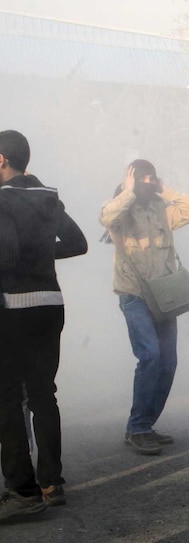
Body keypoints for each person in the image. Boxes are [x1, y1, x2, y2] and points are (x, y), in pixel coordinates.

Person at [0, 129, 88, 521]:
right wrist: (42, 255)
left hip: (13, 308)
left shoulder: (2, 200)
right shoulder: (47, 196)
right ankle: (52, 484)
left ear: (1, 160)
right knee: (43, 394)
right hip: (50, 305)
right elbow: (76, 243)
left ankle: (23, 490)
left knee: (6, 399)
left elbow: (6, 253)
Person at [99, 160, 189, 456]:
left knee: (168, 362)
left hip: (165, 296)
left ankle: (144, 424)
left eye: (150, 177)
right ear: (130, 180)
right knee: (150, 355)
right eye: (140, 177)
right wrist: (129, 191)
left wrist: (164, 189)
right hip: (134, 294)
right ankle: (139, 427)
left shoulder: (160, 208)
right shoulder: (120, 206)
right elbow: (107, 217)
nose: (146, 182)